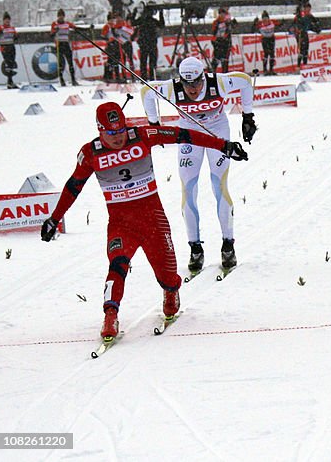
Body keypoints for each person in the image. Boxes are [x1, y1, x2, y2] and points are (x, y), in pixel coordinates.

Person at [39, 102, 248, 341]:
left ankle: (171, 291)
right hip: (121, 223)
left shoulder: (142, 135)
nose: (118, 138)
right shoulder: (90, 153)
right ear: (100, 130)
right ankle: (110, 315)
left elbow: (183, 135)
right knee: (117, 265)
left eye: (120, 131)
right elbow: (73, 186)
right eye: (111, 133)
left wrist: (224, 145)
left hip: (153, 220)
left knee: (167, 275)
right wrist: (54, 219)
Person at [142, 56, 257, 274]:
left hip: (217, 132)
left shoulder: (218, 83)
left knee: (219, 186)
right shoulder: (172, 89)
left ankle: (228, 245)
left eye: (196, 83)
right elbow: (146, 91)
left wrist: (248, 116)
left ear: (203, 77)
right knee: (188, 189)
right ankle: (195, 248)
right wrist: (154, 123)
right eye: (187, 84)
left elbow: (244, 79)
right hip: (188, 136)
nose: (192, 89)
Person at [133, 4, 165, 81]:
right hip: (152, 44)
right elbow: (161, 25)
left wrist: (134, 13)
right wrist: (161, 14)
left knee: (143, 62)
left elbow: (132, 23)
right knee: (152, 63)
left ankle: (144, 78)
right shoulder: (152, 21)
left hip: (144, 44)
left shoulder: (141, 20)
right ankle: (152, 77)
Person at [50, 9, 80, 86]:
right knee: (60, 63)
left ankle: (73, 80)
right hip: (59, 44)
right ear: (57, 16)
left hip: (66, 44)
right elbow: (51, 34)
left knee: (70, 63)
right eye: (59, 16)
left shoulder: (67, 23)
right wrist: (55, 31)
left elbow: (76, 28)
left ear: (64, 16)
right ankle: (61, 80)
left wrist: (88, 28)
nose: (61, 17)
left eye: (62, 16)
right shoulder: (54, 24)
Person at [291, 2, 321, 70]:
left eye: (309, 9)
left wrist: (317, 29)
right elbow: (295, 24)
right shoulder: (300, 15)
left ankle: (305, 64)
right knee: (301, 49)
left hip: (304, 33)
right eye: (307, 9)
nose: (308, 10)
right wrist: (299, 28)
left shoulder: (310, 16)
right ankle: (298, 65)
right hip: (299, 34)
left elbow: (313, 24)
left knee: (306, 49)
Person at [0, 12, 18, 89]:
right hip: (4, 47)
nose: (7, 21)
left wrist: (16, 37)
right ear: (3, 21)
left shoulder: (12, 28)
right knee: (8, 62)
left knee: (12, 63)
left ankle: (10, 81)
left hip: (11, 46)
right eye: (6, 20)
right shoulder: (0, 28)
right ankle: (9, 81)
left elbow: (15, 36)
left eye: (8, 20)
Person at [253, 11, 279, 76]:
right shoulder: (260, 24)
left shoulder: (272, 22)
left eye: (266, 18)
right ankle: (265, 70)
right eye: (263, 19)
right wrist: (255, 23)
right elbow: (253, 28)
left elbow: (279, 24)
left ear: (268, 18)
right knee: (266, 53)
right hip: (264, 39)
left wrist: (282, 23)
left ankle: (271, 69)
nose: (265, 20)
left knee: (272, 54)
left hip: (271, 38)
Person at [211, 7, 235, 73]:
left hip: (226, 42)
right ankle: (212, 72)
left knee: (225, 59)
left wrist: (232, 24)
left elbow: (231, 30)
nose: (222, 15)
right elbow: (213, 32)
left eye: (223, 14)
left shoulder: (228, 22)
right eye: (221, 14)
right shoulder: (216, 22)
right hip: (218, 42)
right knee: (216, 58)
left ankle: (225, 73)